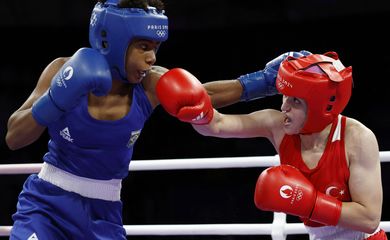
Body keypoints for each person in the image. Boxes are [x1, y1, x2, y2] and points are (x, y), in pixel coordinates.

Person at [5, 0, 312, 238]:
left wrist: (265, 82)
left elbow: (202, 95)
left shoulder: (149, 85)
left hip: (104, 214)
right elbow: (14, 137)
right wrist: (57, 97)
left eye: (155, 48)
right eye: (143, 47)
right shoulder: (63, 70)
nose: (151, 58)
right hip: (46, 206)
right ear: (109, 40)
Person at [156, 52, 387, 239]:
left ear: (320, 107)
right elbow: (217, 124)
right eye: (285, 96)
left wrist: (310, 203)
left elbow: (369, 219)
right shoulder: (276, 125)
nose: (284, 107)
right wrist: (197, 114)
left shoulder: (357, 138)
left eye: (295, 100)